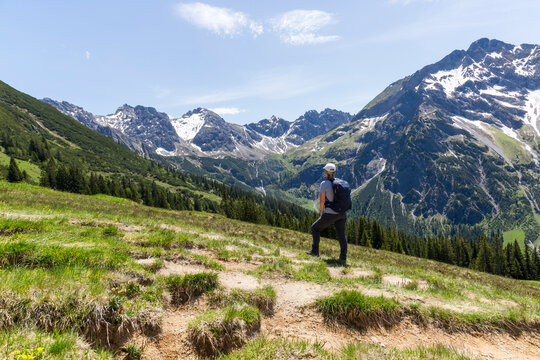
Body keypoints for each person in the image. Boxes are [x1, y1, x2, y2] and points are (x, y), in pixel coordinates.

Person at [306, 163, 348, 266]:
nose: (324, 172)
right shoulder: (340, 183)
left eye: (325, 171)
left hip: (330, 213)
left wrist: (322, 212)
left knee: (315, 228)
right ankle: (343, 258)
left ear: (327, 172)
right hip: (342, 213)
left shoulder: (324, 184)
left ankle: (315, 252)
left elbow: (322, 200)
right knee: (342, 236)